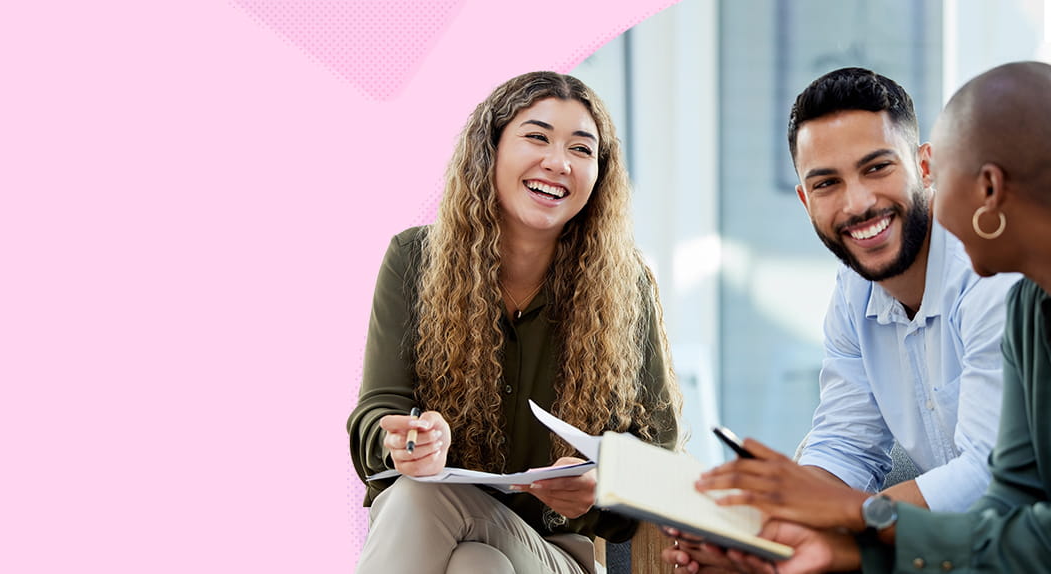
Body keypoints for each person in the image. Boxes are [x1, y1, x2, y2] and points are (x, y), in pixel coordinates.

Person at [694, 59, 1051, 574]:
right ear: (805, 199)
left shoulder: (997, 279)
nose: (857, 203)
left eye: (877, 167)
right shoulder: (855, 294)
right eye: (826, 184)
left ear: (926, 167)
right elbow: (846, 441)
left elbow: (992, 486)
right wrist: (774, 527)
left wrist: (852, 518)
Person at [347, 71, 682, 574]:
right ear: (492, 150)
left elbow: (658, 452)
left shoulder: (623, 285)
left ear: (599, 176)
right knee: (476, 564)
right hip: (442, 543)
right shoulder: (414, 260)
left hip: (555, 556)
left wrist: (599, 488)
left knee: (419, 500)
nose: (558, 161)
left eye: (581, 149)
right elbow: (379, 410)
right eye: (537, 136)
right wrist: (405, 442)